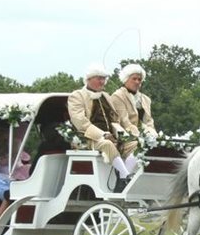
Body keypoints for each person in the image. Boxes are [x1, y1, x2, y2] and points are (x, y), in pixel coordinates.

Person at [67, 63, 137, 192]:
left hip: (112, 135)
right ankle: (124, 176)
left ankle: (124, 178)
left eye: (104, 78)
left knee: (136, 145)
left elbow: (114, 120)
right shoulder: (77, 96)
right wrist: (103, 134)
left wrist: (121, 135)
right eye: (99, 78)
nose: (102, 82)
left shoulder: (105, 96)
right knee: (107, 144)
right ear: (89, 79)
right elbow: (80, 122)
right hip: (89, 137)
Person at [111, 63, 157, 139]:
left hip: (147, 137)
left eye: (139, 79)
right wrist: (140, 135)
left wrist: (152, 134)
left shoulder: (146, 99)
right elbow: (124, 122)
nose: (137, 82)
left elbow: (149, 121)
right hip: (127, 137)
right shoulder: (118, 96)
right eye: (134, 79)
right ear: (125, 79)